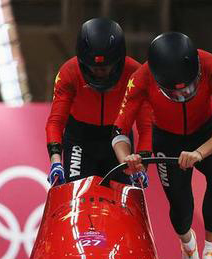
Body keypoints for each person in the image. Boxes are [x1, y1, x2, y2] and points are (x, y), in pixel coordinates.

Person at [112, 32, 212, 259]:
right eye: (174, 92)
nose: (182, 96)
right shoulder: (140, 79)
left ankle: (211, 252)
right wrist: (126, 159)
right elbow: (119, 128)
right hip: (167, 139)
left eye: (189, 89)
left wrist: (200, 152)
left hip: (206, 131)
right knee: (180, 206)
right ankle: (188, 245)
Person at [45, 17, 151, 187]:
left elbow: (146, 125)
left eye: (106, 68)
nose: (100, 74)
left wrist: (142, 165)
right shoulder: (69, 73)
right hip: (80, 139)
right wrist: (55, 162)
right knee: (78, 194)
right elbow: (56, 122)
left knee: (121, 199)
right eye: (94, 69)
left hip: (118, 139)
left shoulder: (136, 74)